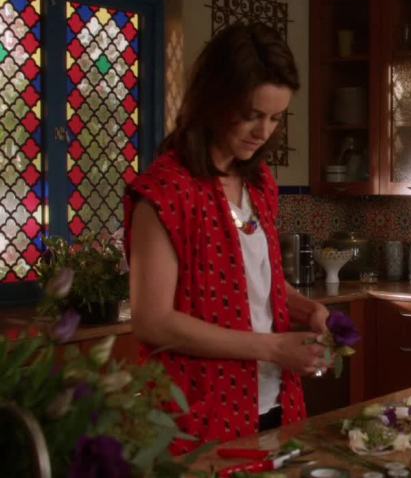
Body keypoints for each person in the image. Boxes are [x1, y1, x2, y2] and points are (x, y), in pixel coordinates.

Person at [124, 23, 331, 453]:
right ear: (214, 100)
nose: (263, 132)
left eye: (275, 118)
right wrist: (273, 347)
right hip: (198, 412)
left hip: (275, 400)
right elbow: (152, 320)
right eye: (252, 114)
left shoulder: (259, 183)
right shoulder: (165, 192)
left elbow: (254, 283)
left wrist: (307, 309)